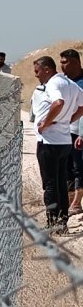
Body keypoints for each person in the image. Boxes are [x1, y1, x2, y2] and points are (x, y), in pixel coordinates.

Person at [32, 56, 83, 233]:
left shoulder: (53, 84)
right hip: (64, 142)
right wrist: (67, 120)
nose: (36, 75)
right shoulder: (69, 83)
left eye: (37, 71)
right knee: (61, 183)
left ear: (46, 69)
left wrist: (45, 124)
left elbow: (58, 102)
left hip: (49, 142)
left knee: (50, 184)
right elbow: (82, 106)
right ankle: (62, 223)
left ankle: (53, 223)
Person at [61, 49, 83, 215]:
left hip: (79, 131)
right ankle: (70, 201)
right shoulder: (63, 82)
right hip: (64, 130)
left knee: (79, 167)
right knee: (67, 167)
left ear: (75, 62)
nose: (62, 66)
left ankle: (76, 203)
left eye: (65, 62)